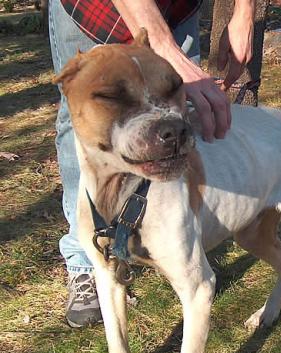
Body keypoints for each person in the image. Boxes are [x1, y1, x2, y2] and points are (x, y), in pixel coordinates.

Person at [48, 0, 256, 327]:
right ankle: (86, 260)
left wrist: (244, 13)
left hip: (177, 7)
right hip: (93, 9)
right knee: (78, 117)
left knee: (169, 119)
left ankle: (177, 239)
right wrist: (164, 49)